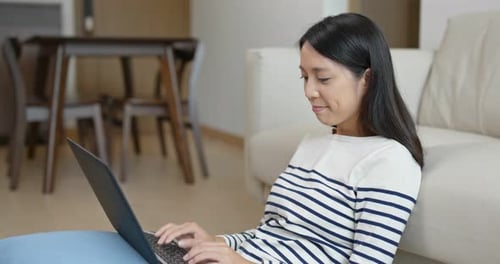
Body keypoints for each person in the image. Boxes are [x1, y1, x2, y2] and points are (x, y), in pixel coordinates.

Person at [155, 13, 423, 264]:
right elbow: (271, 235)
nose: (309, 91)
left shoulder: (389, 161)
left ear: (367, 78)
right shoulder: (312, 143)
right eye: (305, 77)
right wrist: (215, 243)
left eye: (323, 78)